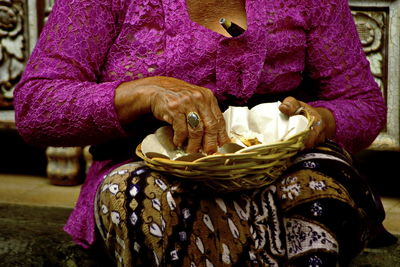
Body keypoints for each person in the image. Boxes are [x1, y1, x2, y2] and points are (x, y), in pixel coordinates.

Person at [13, 0, 394, 265]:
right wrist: (142, 93)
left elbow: (361, 103)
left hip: (283, 164)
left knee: (316, 192)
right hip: (145, 166)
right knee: (151, 204)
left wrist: (315, 122)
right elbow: (35, 107)